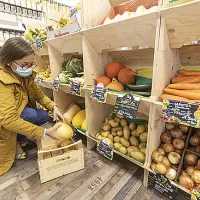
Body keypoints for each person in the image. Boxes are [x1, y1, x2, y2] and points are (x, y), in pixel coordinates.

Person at [0, 37, 64, 175]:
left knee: (43, 115)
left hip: (19, 113)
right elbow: (8, 120)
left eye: (31, 65)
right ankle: (15, 144)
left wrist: (53, 107)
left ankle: (19, 138)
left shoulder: (24, 75)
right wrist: (44, 133)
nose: (28, 68)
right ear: (10, 62)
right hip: (4, 124)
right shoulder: (2, 82)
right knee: (30, 115)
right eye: (25, 65)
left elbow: (39, 95)